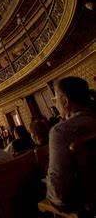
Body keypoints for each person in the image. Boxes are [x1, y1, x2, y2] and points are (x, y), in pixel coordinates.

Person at [46, 76, 96, 212]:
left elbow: (59, 193)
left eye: (56, 100)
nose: (56, 104)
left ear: (65, 100)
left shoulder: (60, 132)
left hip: (86, 204)